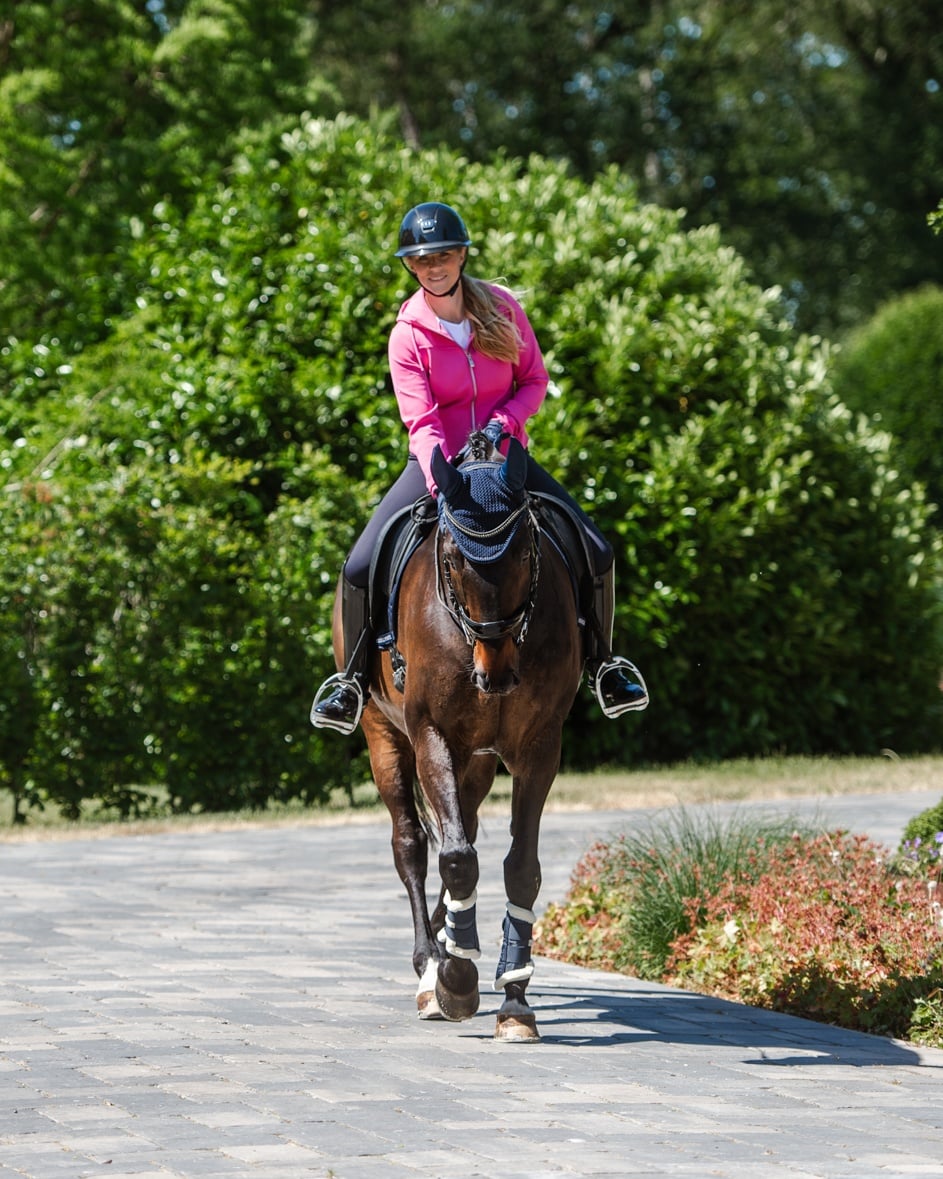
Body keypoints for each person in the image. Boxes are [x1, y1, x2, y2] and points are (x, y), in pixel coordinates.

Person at [311, 201, 648, 734]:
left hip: (506, 459)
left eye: (443, 254)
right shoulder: (408, 335)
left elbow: (533, 381)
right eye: (421, 260)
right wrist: (440, 470)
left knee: (598, 549)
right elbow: (419, 420)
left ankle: (605, 666)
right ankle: (352, 681)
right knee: (358, 566)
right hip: (437, 466)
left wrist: (503, 425)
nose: (434, 266)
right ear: (411, 267)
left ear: (463, 254)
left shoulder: (503, 309)